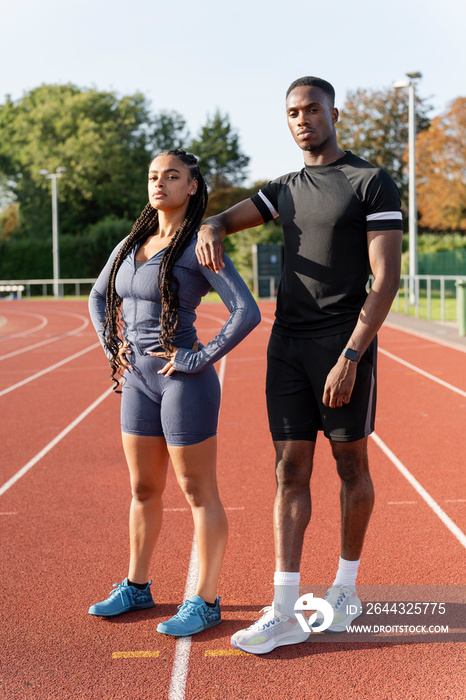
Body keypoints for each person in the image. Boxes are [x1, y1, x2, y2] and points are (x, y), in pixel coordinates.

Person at [195, 77, 403, 654]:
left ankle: (345, 587)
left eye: (313, 108)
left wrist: (353, 355)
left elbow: (385, 280)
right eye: (292, 112)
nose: (303, 119)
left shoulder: (370, 181)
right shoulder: (283, 188)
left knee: (350, 465)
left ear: (335, 112)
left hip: (343, 343)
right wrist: (211, 225)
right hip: (286, 343)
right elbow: (226, 220)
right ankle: (285, 608)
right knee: (289, 470)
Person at [88, 149, 260, 637]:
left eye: (172, 176)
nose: (159, 183)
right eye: (153, 176)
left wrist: (197, 357)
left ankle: (205, 600)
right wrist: (112, 345)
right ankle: (137, 586)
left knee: (197, 491)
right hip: (138, 382)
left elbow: (245, 311)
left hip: (183, 381)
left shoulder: (198, 246)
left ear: (192, 186)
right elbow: (99, 296)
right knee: (143, 489)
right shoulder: (131, 241)